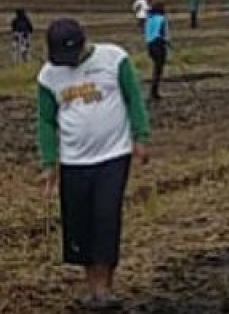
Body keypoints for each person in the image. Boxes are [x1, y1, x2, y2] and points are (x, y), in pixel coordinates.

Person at [37, 19, 151, 311]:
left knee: (105, 218)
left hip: (113, 155)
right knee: (80, 225)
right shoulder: (49, 76)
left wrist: (140, 136)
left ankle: (106, 288)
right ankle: (93, 288)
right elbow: (46, 122)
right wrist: (50, 162)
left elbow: (133, 98)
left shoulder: (114, 59)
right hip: (73, 160)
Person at [144, 2, 170, 101]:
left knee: (156, 68)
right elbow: (163, 33)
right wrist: (167, 41)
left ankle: (154, 91)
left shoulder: (149, 19)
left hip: (150, 45)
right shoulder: (162, 19)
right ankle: (154, 92)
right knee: (158, 69)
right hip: (159, 44)